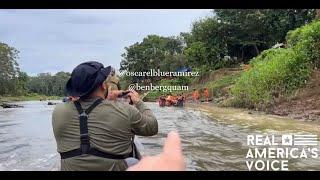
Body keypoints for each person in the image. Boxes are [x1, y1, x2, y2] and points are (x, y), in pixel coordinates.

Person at [52, 61, 158, 171]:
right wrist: (138, 101)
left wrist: (107, 101)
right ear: (103, 85)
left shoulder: (58, 111)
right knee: (133, 161)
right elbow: (152, 127)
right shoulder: (125, 110)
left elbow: (91, 112)